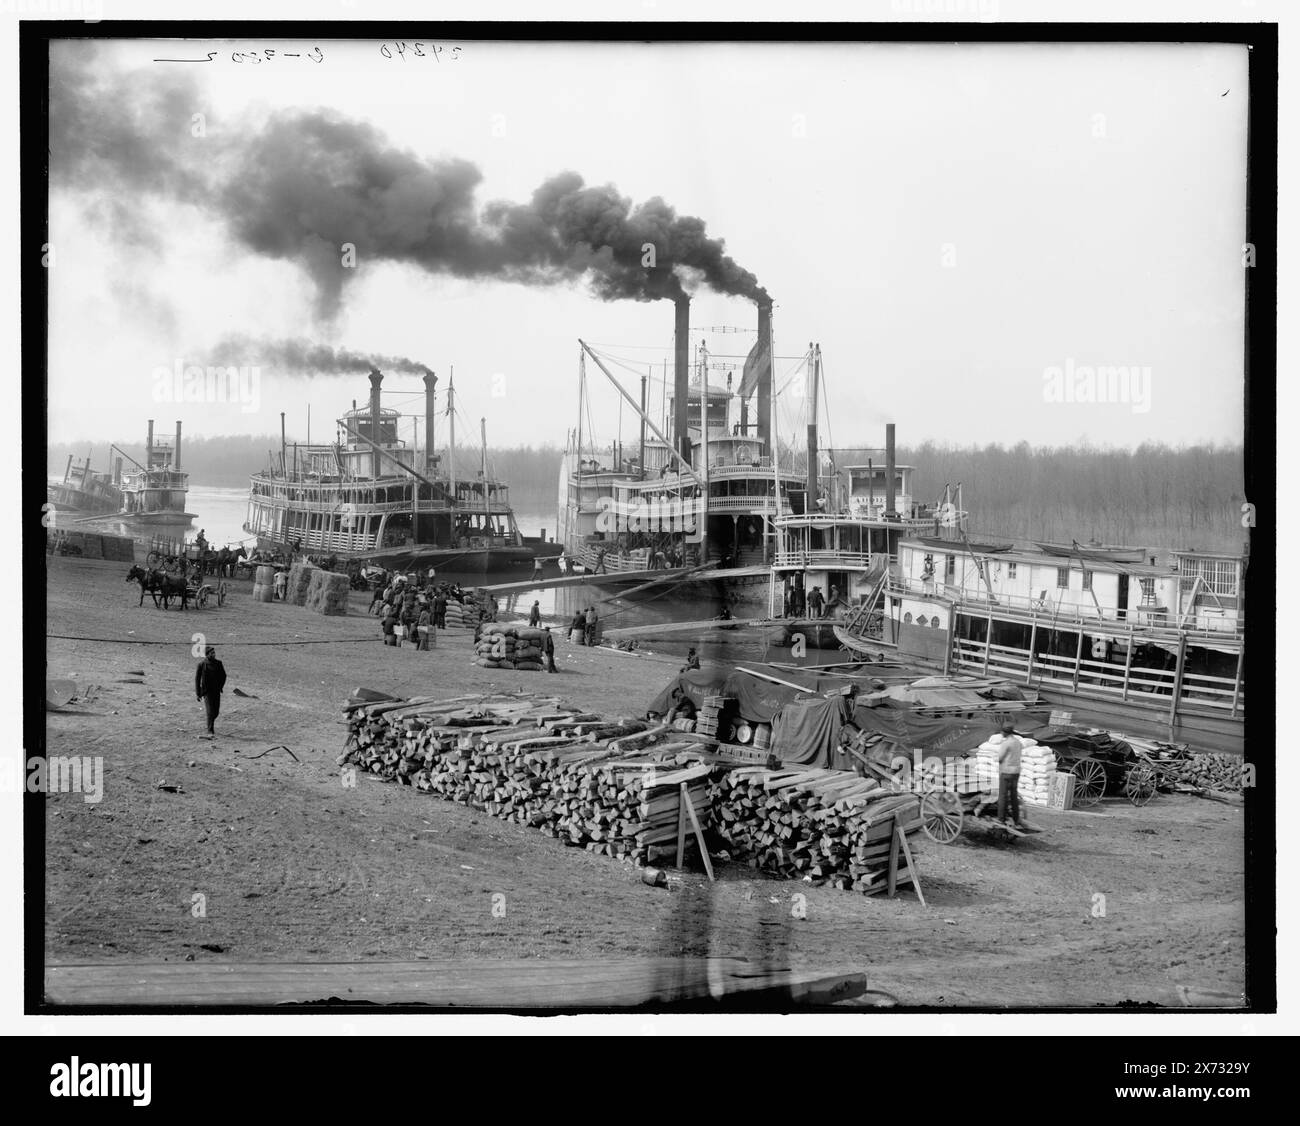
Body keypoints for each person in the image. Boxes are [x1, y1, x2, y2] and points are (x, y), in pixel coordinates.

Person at [996, 720, 1027, 829]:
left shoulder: (1006, 743)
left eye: (1002, 732)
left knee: (1003, 796)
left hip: (1006, 772)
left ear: (1005, 732)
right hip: (1016, 772)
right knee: (1013, 796)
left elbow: (999, 758)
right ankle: (1016, 819)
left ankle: (1001, 819)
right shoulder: (1018, 742)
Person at [194, 645, 227, 737]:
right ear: (207, 654)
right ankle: (210, 730)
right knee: (210, 711)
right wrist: (198, 693)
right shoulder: (201, 665)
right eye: (212, 653)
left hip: (216, 690)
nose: (214, 654)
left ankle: (210, 723)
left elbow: (223, 676)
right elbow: (197, 679)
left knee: (216, 712)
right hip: (206, 691)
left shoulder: (218, 663)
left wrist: (220, 686)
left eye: (214, 653)